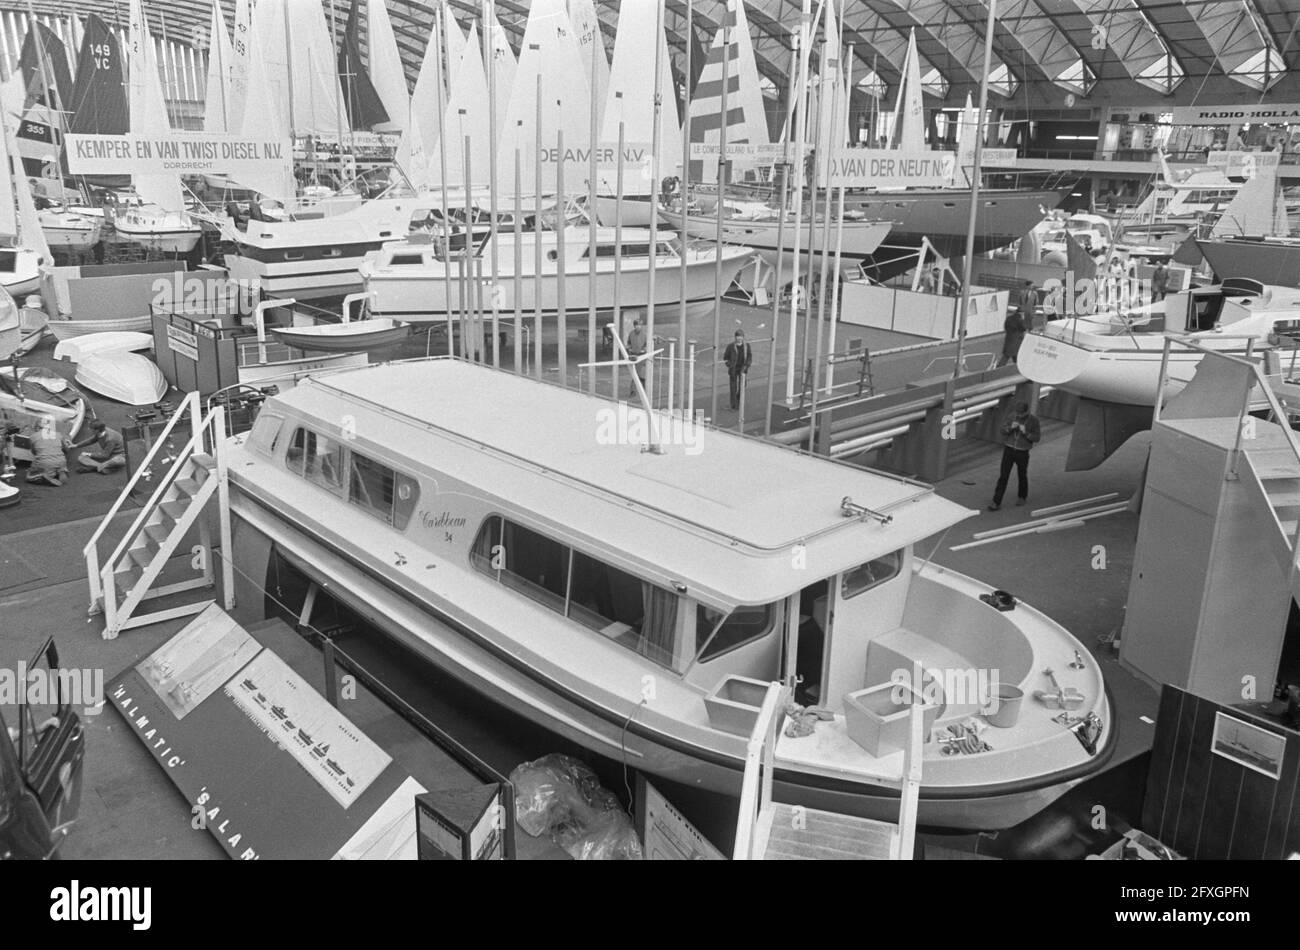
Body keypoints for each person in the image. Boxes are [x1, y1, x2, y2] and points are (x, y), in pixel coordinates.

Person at [989, 401, 1041, 510]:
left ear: (1027, 412)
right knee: (1003, 476)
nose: (1019, 416)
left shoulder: (1033, 420)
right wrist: (1010, 428)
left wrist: (1026, 432)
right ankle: (996, 501)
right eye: (1018, 413)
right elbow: (1002, 430)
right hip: (1009, 450)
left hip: (1022, 452)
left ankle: (1022, 496)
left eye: (1021, 414)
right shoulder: (1012, 416)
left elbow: (1037, 438)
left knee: (1022, 475)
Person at [25, 420, 67, 487]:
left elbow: (34, 452)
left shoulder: (33, 436)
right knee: (56, 463)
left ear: (37, 428)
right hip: (61, 461)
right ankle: (60, 471)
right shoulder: (58, 434)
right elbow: (66, 450)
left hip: (46, 463)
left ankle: (41, 475)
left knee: (28, 476)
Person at [723, 329, 753, 411]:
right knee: (733, 387)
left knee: (742, 386)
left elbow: (749, 357)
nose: (739, 338)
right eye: (738, 336)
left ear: (743, 337)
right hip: (733, 369)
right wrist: (730, 365)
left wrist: (746, 366)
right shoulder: (730, 346)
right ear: (735, 337)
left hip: (743, 369)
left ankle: (738, 401)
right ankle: (734, 405)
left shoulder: (747, 346)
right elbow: (725, 358)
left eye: (741, 337)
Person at [625, 314, 648, 397]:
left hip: (641, 356)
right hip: (633, 356)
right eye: (637, 325)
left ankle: (636, 390)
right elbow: (628, 343)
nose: (639, 327)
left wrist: (644, 349)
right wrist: (628, 348)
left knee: (637, 373)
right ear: (634, 326)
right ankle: (639, 384)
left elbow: (647, 345)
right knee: (635, 373)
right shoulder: (631, 334)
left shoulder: (644, 335)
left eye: (640, 325)